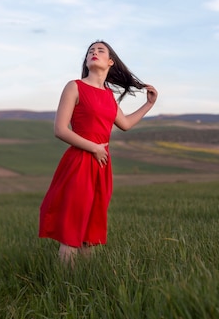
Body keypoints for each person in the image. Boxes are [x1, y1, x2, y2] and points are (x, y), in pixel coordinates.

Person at [38, 40, 158, 266]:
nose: (94, 53)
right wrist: (93, 147)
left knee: (90, 232)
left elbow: (125, 123)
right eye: (90, 51)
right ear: (86, 61)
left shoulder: (108, 96)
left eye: (100, 51)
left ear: (110, 62)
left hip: (102, 166)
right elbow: (60, 129)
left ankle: (85, 283)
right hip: (80, 161)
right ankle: (64, 292)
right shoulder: (74, 87)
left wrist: (148, 105)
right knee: (73, 230)